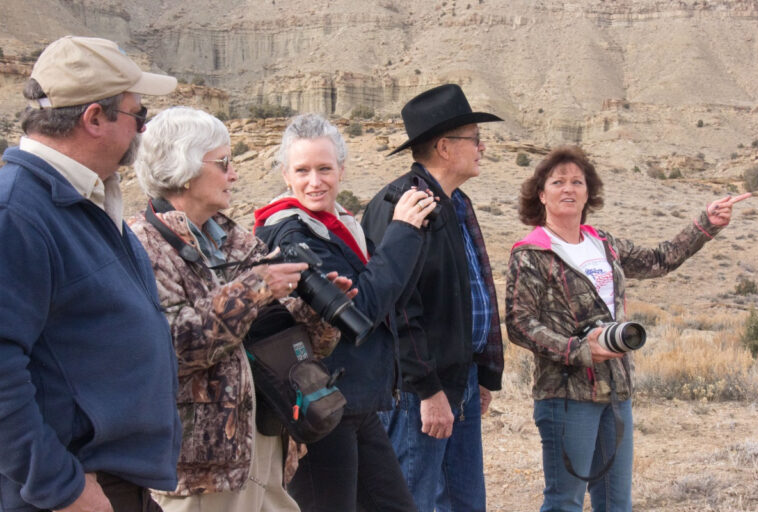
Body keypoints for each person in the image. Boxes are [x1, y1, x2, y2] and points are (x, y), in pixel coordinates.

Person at [505, 145, 750, 512]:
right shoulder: (532, 253)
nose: (568, 188)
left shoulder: (603, 244)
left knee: (616, 502)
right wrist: (578, 350)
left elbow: (660, 259)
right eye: (558, 182)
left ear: (588, 192)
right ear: (541, 194)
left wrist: (706, 224)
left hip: (616, 391)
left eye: (577, 181)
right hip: (567, 395)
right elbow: (520, 323)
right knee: (564, 502)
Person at [128, 107, 348, 512]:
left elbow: (293, 341)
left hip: (269, 446)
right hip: (204, 471)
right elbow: (171, 348)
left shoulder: (238, 243)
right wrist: (255, 289)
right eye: (223, 162)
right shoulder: (144, 246)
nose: (234, 174)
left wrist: (320, 314)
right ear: (184, 168)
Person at [0, 36, 180, 512]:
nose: (143, 128)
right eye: (138, 115)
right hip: (71, 493)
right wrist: (60, 487)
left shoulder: (80, 200)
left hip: (107, 485)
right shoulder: (17, 212)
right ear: (95, 118)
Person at [254, 113, 436, 511]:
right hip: (318, 401)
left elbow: (386, 293)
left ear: (342, 170)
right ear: (285, 175)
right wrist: (403, 231)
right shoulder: (290, 233)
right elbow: (360, 313)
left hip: (350, 399)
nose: (314, 182)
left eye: (324, 169)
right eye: (302, 170)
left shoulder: (339, 225)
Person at [361, 83, 505, 512]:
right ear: (444, 146)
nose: (482, 147)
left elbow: (469, 292)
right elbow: (397, 307)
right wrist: (428, 390)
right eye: (474, 139)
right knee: (411, 499)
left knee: (464, 502)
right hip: (418, 390)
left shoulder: (455, 203)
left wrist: (480, 373)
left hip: (458, 379)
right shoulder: (403, 203)